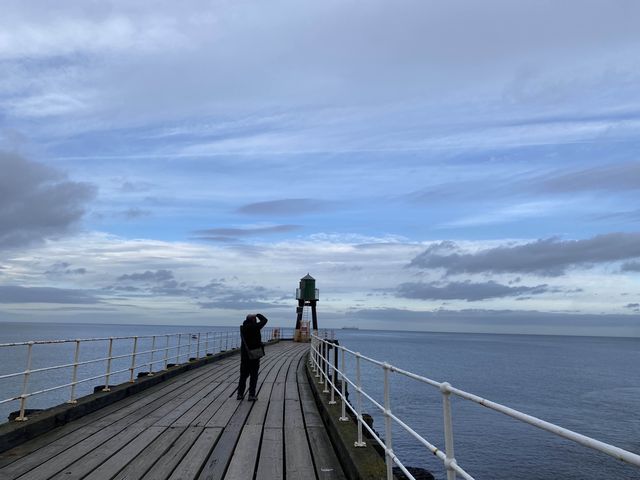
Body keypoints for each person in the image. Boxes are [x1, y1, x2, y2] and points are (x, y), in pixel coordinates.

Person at [237, 313, 268, 401]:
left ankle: (240, 394)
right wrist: (258, 314)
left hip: (244, 356)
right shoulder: (255, 327)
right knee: (253, 376)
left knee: (243, 375)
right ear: (254, 320)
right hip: (254, 355)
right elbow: (265, 320)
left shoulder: (242, 328)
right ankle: (251, 395)